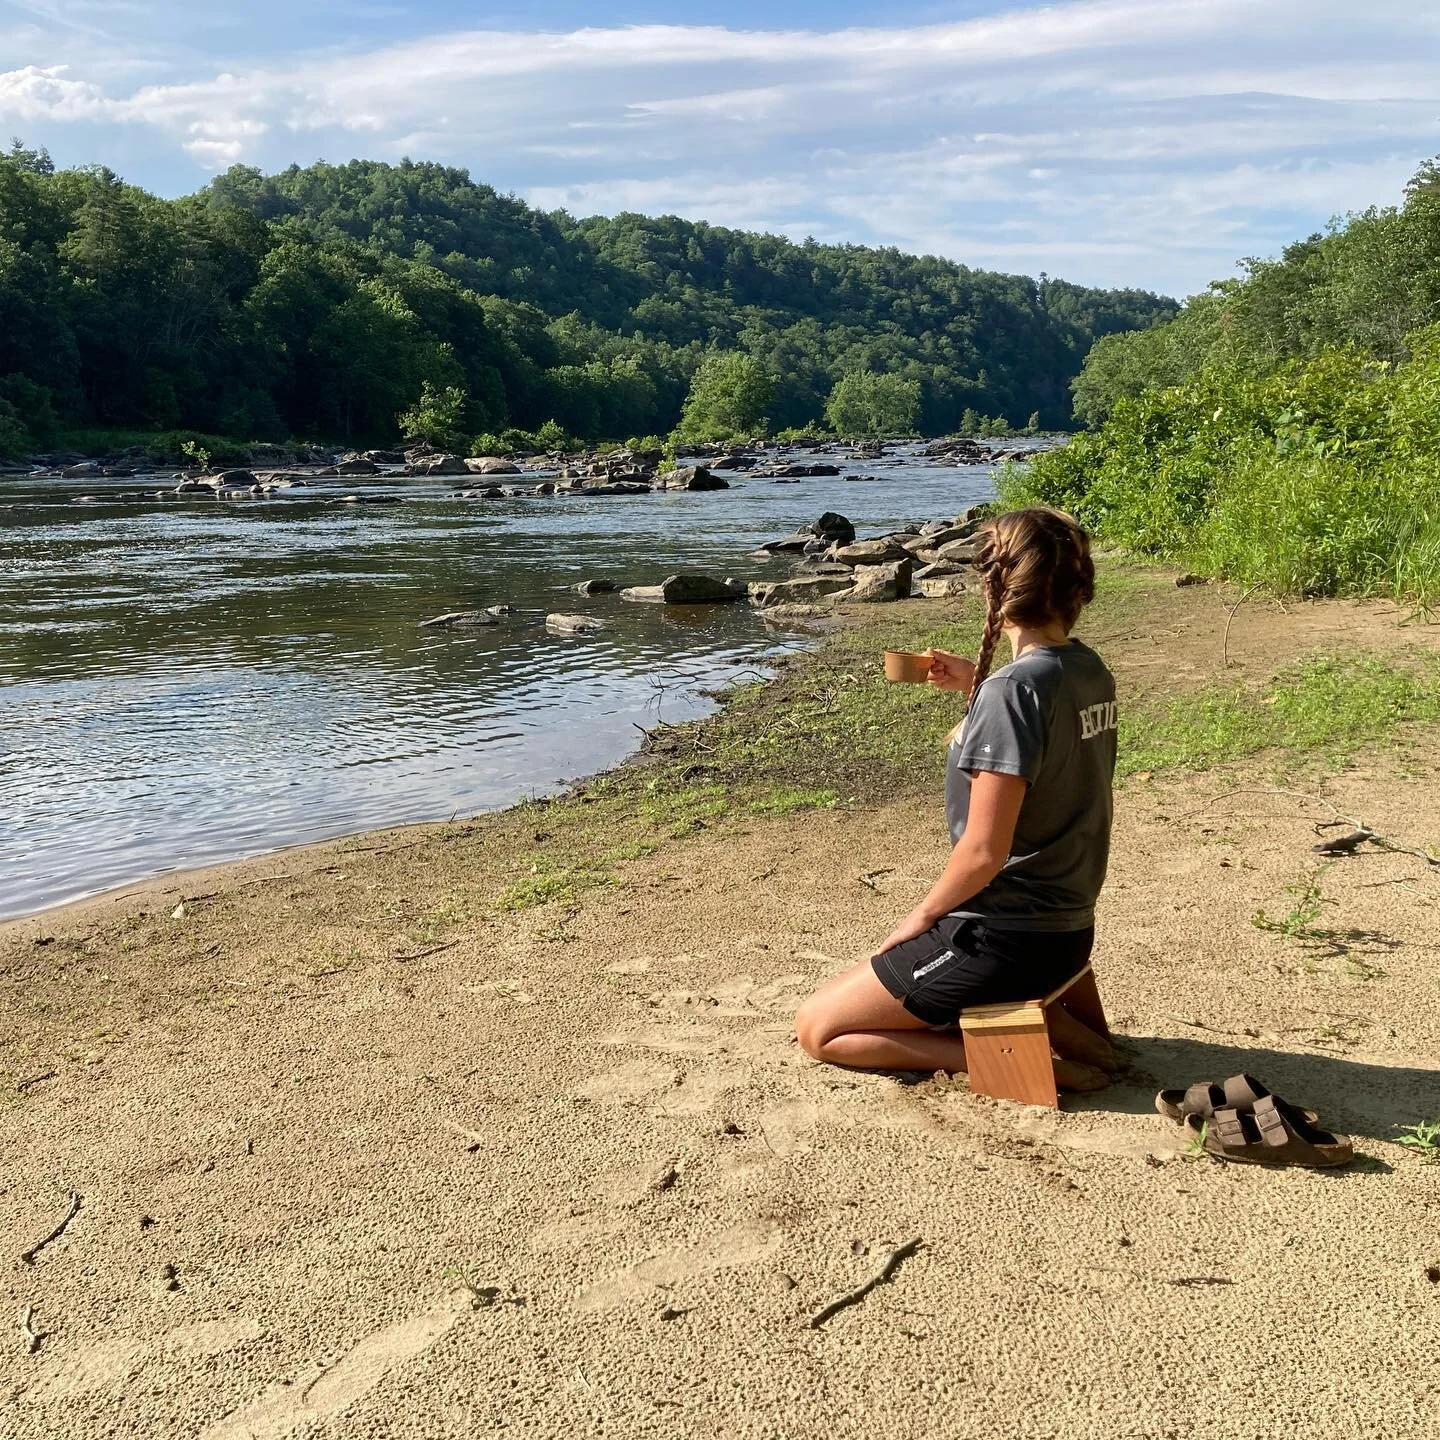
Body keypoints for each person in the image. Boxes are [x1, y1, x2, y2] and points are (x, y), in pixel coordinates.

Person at [794, 507, 1119, 1090]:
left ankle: (1013, 1054)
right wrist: (979, 682)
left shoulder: (1014, 692)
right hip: (1067, 934)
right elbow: (1051, 737)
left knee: (821, 1029)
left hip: (1003, 938)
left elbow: (982, 854)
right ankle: (1038, 1019)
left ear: (991, 582)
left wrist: (917, 920)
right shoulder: (1087, 669)